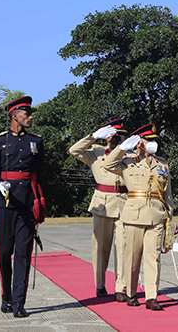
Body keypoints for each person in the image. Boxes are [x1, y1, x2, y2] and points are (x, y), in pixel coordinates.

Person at [102, 124, 173, 311]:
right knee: (132, 257)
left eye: (153, 140)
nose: (152, 144)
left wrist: (169, 218)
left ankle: (151, 296)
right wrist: (122, 148)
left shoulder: (162, 164)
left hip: (156, 215)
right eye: (147, 140)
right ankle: (131, 293)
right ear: (139, 144)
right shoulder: (127, 162)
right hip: (134, 215)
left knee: (153, 258)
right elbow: (107, 164)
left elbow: (168, 195)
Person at [0, 96, 44, 318]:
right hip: (5, 202)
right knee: (4, 253)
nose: (30, 118)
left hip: (27, 203)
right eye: (26, 114)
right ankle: (6, 297)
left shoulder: (36, 141)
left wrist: (39, 201)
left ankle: (19, 303)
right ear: (14, 116)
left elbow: (40, 175)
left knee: (23, 253)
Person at [68, 119, 129, 301]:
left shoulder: (130, 154)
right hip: (102, 202)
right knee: (100, 248)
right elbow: (74, 150)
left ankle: (121, 287)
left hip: (125, 202)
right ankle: (100, 285)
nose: (114, 138)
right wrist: (93, 136)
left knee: (124, 247)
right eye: (111, 135)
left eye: (118, 135)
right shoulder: (96, 152)